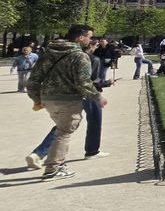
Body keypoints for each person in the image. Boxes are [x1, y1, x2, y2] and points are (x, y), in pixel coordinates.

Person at [24, 24, 107, 181]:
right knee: (63, 133)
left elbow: (32, 80)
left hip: (48, 99)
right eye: (89, 37)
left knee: (60, 130)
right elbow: (83, 82)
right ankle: (53, 168)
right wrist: (98, 97)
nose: (91, 40)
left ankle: (50, 161)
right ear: (80, 37)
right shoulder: (80, 56)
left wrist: (37, 99)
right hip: (68, 99)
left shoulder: (49, 53)